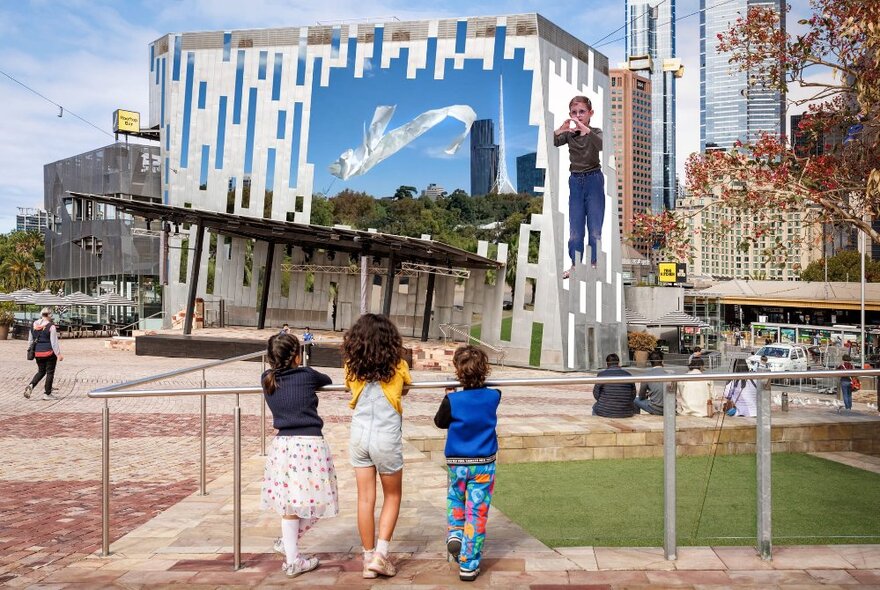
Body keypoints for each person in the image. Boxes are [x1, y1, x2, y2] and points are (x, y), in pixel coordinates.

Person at [260, 333, 338, 578]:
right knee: (318, 501)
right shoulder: (306, 375)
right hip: (310, 444)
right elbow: (327, 379)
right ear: (297, 355)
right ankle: (292, 557)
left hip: (283, 445)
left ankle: (289, 547)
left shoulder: (267, 378)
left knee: (290, 505)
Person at [343, 313, 412, 578]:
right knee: (392, 496)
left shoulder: (352, 366)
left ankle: (367, 558)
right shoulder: (398, 365)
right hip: (386, 438)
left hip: (359, 436)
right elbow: (404, 388)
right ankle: (381, 556)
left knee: (365, 499)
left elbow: (350, 386)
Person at [433, 345, 500, 582]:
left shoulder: (452, 400)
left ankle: (456, 533)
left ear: (458, 372)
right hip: (484, 465)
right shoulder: (494, 396)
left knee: (455, 499)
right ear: (485, 370)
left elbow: (440, 422)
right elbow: (483, 397)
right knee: (477, 512)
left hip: (457, 463)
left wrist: (448, 394)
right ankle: (469, 564)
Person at [553, 95, 604, 278]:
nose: (578, 115)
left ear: (590, 113)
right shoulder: (569, 135)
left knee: (595, 228)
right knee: (575, 230)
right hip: (575, 181)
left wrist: (585, 130)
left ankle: (594, 264)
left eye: (582, 112)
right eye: (574, 112)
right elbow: (550, 141)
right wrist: (561, 129)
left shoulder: (596, 132)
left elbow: (601, 146)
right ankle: (575, 265)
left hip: (594, 180)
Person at [24, 308, 63, 401]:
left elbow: (30, 340)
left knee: (41, 371)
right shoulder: (51, 326)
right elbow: (54, 342)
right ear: (49, 315)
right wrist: (58, 354)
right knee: (50, 372)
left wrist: (30, 349)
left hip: (38, 352)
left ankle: (31, 385)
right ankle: (47, 393)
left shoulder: (33, 324)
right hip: (49, 352)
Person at [592, 353, 636, 418]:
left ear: (607, 363)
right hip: (626, 412)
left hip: (605, 411)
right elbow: (633, 395)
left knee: (594, 407)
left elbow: (596, 394)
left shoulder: (602, 375)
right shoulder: (628, 375)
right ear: (618, 362)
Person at [634, 351, 666, 415]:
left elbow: (641, 397)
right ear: (662, 361)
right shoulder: (670, 375)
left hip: (656, 409)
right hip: (670, 408)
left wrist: (647, 394)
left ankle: (637, 418)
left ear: (651, 362)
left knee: (635, 400)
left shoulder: (647, 376)